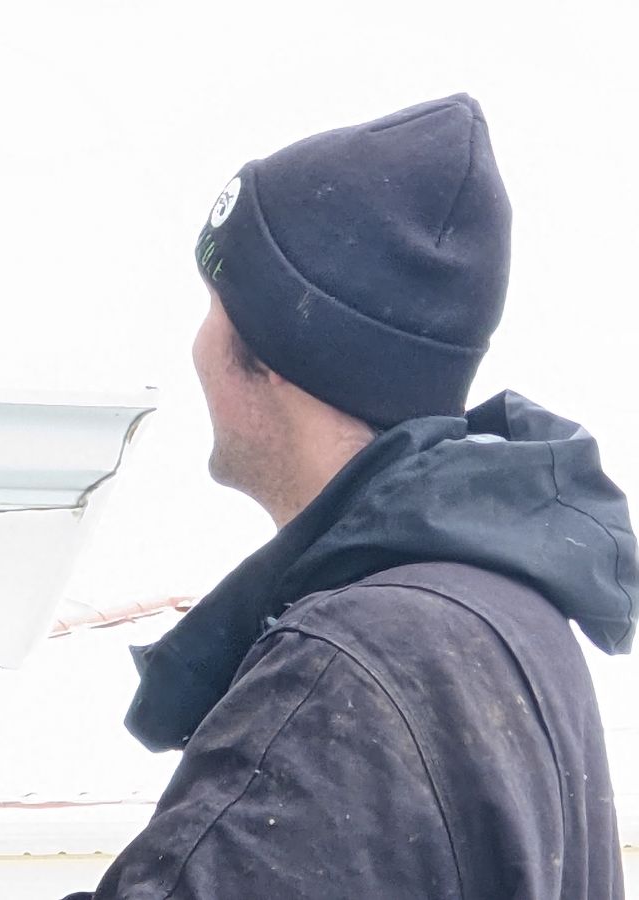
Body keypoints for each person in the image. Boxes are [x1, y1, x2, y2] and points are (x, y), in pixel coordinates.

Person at [67, 94, 635, 899]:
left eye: (214, 303)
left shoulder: (352, 667)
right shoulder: (508, 618)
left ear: (269, 352)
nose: (196, 343)